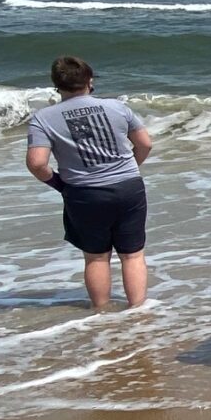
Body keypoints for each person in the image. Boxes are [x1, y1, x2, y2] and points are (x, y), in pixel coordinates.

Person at [24, 56, 153, 310]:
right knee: (132, 254)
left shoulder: (43, 118)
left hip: (85, 193)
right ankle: (138, 312)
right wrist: (130, 169)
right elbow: (145, 144)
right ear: (89, 81)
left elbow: (37, 163)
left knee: (96, 258)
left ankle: (101, 315)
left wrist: (60, 185)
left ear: (56, 85)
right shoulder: (118, 107)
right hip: (128, 187)